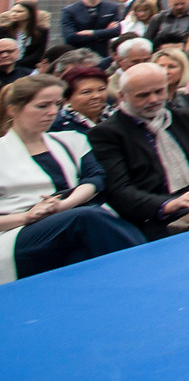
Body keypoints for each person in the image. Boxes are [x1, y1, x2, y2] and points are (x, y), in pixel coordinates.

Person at [0, 76, 145, 283]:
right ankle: (146, 268)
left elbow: (95, 178)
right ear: (13, 109)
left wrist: (65, 204)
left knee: (82, 252)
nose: (52, 112)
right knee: (86, 217)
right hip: (14, 234)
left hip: (67, 222)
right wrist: (28, 217)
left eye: (57, 104)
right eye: (42, 106)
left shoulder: (72, 139)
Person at [87, 63, 189, 239]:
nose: (153, 100)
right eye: (143, 95)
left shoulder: (180, 117)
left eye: (159, 91)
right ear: (122, 96)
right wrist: (169, 204)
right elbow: (120, 192)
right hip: (158, 207)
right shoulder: (108, 133)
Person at [57, 0, 122, 63]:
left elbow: (116, 31)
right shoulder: (70, 11)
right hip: (77, 58)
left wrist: (91, 32)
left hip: (103, 57)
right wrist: (104, 33)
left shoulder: (111, 8)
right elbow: (70, 37)